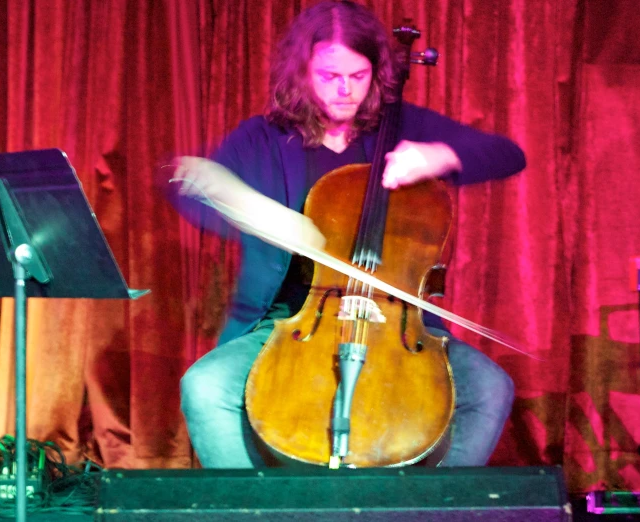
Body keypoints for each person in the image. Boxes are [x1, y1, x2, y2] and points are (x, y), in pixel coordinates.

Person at [169, 0, 526, 469]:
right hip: (292, 321)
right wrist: (249, 206)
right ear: (302, 72)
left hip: (398, 327)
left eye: (358, 77)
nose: (344, 91)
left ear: (376, 73)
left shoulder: (401, 128)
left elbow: (507, 154)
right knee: (205, 387)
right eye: (328, 76)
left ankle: (431, 508)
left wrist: (440, 155)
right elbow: (185, 186)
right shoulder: (263, 138)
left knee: (491, 389)